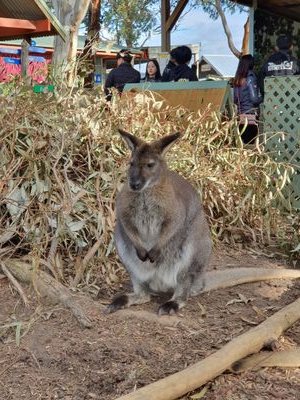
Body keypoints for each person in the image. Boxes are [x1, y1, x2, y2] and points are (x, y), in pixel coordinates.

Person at [233, 54, 262, 144]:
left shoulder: (237, 79)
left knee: (243, 145)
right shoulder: (250, 78)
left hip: (240, 117)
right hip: (251, 116)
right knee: (252, 144)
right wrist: (263, 97)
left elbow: (235, 99)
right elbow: (254, 99)